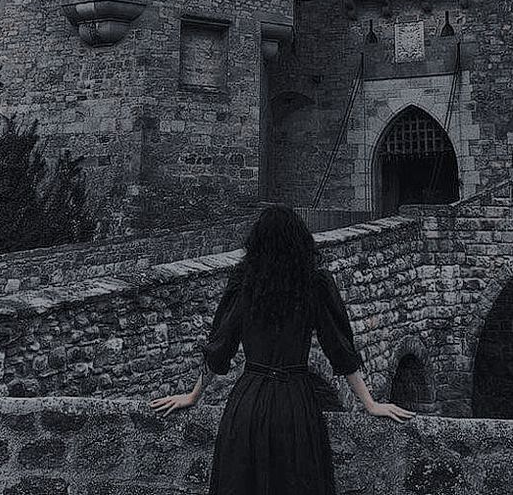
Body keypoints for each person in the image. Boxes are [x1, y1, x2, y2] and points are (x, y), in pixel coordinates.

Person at [150, 204, 415, 494]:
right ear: (300, 239)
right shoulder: (314, 283)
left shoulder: (245, 282)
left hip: (248, 403)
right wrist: (370, 403)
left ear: (257, 242)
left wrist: (193, 394)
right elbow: (338, 349)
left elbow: (220, 347)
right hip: (295, 404)